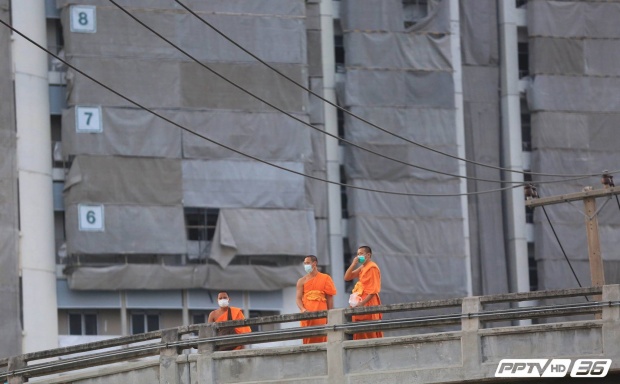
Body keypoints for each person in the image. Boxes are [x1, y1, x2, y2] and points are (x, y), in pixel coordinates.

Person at [344, 245, 383, 339]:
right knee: (359, 331)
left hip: (368, 302)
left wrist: (362, 303)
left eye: (361, 254)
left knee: (369, 331)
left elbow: (373, 290)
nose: (358, 256)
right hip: (360, 302)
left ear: (368, 255)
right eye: (357, 254)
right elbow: (347, 277)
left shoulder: (372, 267)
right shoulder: (363, 267)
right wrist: (353, 264)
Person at [296, 255, 337, 344]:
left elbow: (330, 298)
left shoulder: (325, 278)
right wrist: (303, 310)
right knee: (308, 338)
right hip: (307, 315)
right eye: (304, 263)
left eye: (308, 263)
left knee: (322, 337)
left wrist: (330, 315)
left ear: (314, 263)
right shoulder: (301, 281)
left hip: (321, 313)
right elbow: (298, 299)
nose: (305, 265)